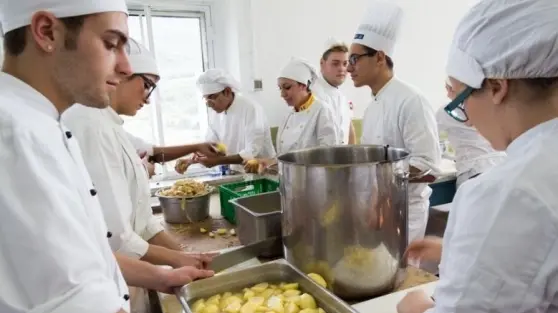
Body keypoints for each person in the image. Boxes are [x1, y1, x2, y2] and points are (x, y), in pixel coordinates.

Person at [0, 2, 212, 312]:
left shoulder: (46, 123)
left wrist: (163, 277)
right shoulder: (16, 135)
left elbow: (89, 254)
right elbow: (72, 300)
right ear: (46, 32)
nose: (126, 68)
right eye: (111, 45)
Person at [396, 1, 558, 312]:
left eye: (461, 99)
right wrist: (462, 251)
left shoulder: (509, 193)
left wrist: (415, 307)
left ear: (497, 87)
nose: (467, 117)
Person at [62, 38, 218, 269]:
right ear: (120, 75)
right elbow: (116, 238)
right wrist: (181, 260)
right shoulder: (90, 125)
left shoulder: (110, 124)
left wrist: (188, 258)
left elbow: (144, 224)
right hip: (115, 271)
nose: (147, 97)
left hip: (131, 264)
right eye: (147, 85)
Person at [348, 0, 441, 244]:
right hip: (376, 208)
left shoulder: (411, 101)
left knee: (403, 276)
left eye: (354, 59)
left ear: (379, 57)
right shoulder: (372, 108)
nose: (349, 68)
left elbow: (429, 166)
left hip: (405, 212)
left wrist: (381, 174)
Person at [244, 58, 339, 174]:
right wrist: (266, 162)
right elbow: (283, 158)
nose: (282, 94)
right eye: (280, 88)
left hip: (314, 181)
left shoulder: (322, 111)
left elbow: (328, 155)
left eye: (287, 87)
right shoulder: (288, 114)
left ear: (303, 85)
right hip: (291, 181)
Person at [175, 68, 275, 173]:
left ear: (227, 91)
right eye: (205, 99)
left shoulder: (251, 109)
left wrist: (217, 161)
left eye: (212, 97)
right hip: (237, 173)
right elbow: (213, 146)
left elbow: (251, 152)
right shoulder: (216, 113)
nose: (208, 104)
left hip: (262, 173)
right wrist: (190, 160)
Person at [437, 78, 506, 188]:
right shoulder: (491, 104)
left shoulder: (446, 110)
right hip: (501, 166)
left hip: (473, 170)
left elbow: (430, 137)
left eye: (449, 89)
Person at [312, 38, 356, 145]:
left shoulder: (342, 96)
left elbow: (349, 128)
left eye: (345, 64)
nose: (341, 69)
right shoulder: (313, 94)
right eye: (335, 64)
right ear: (322, 64)